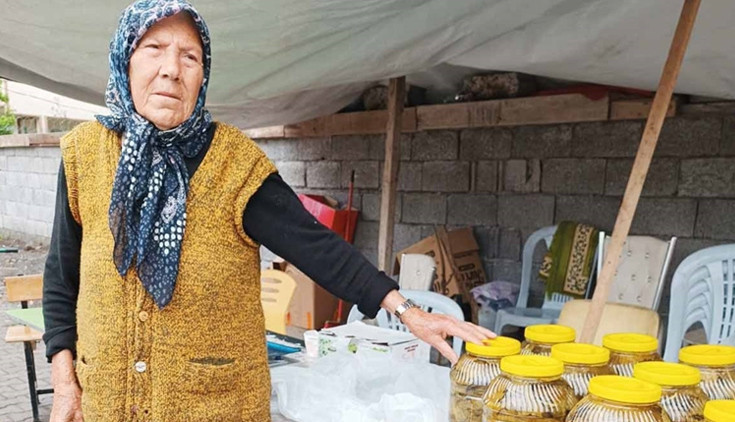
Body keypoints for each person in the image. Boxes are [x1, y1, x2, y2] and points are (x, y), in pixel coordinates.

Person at [42, 1, 495, 421]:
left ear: (203, 76)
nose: (171, 70)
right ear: (125, 59)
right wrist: (64, 383)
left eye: (190, 57)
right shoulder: (83, 154)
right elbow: (62, 277)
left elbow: (316, 247)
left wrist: (409, 311)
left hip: (215, 406)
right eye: (154, 49)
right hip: (108, 403)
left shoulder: (234, 164)